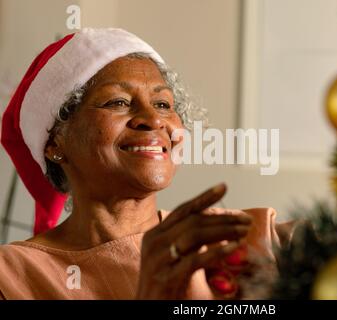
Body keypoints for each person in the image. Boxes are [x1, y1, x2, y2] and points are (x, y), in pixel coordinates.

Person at [0, 28, 295, 299]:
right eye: (117, 102)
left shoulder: (249, 237)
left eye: (163, 104)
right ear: (55, 143)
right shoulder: (13, 276)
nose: (154, 120)